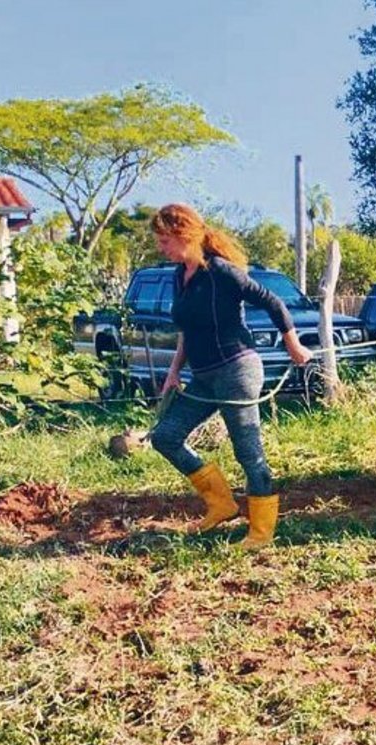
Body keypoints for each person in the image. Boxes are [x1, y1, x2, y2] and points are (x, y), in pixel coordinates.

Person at [148, 203, 312, 549]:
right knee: (165, 436)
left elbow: (272, 303)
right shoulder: (180, 275)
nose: (160, 248)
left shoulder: (221, 271)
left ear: (184, 234)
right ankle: (222, 504)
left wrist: (293, 346)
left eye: (164, 240)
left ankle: (261, 532)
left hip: (237, 369)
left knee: (248, 451)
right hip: (203, 375)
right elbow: (186, 331)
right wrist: (174, 372)